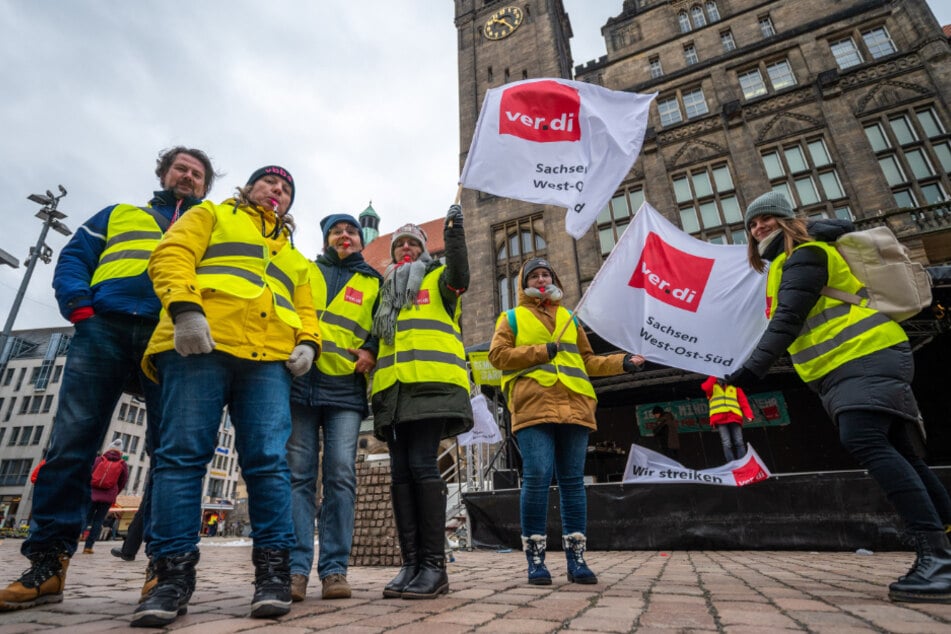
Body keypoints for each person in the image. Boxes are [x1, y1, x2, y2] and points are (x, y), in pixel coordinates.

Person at [0, 147, 215, 613]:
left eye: (198, 174)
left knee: (173, 454)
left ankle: (163, 567)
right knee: (70, 444)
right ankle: (48, 562)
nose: (188, 177)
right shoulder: (119, 214)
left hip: (169, 333)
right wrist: (81, 311)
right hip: (106, 328)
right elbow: (76, 257)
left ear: (206, 185)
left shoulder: (210, 227)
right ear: (164, 173)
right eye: (181, 168)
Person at [725, 191, 951, 603]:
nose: (759, 227)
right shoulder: (782, 265)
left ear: (789, 220)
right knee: (902, 451)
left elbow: (788, 320)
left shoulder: (806, 255)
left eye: (768, 218)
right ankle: (944, 545)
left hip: (864, 354)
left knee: (863, 438)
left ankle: (936, 559)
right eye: (753, 224)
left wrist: (747, 372)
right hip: (849, 363)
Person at [131, 166, 321, 627]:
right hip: (201, 344)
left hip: (267, 359)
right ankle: (171, 577)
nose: (279, 191)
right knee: (181, 458)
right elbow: (170, 256)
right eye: (271, 183)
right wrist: (185, 309)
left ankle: (273, 575)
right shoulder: (211, 214)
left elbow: (306, 307)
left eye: (287, 189)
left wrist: (309, 342)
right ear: (249, 188)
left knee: (269, 464)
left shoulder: (294, 256)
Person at [488, 258, 645, 586]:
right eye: (535, 275)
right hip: (533, 405)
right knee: (538, 476)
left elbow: (587, 361)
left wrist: (622, 362)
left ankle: (577, 559)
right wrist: (541, 351)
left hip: (575, 404)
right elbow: (498, 356)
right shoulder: (512, 317)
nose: (542, 279)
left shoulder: (568, 317)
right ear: (524, 282)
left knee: (573, 481)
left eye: (546, 274)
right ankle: (536, 560)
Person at [370, 209, 473, 600]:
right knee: (399, 474)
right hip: (392, 392)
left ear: (424, 250)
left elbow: (461, 276)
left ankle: (434, 567)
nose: (407, 248)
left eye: (414, 242)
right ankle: (410, 564)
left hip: (431, 387)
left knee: (421, 466)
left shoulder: (438, 279)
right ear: (394, 254)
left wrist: (455, 234)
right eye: (401, 245)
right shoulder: (384, 291)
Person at [287, 213, 382, 602]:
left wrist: (372, 350)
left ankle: (334, 570)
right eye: (337, 232)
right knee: (299, 477)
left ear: (360, 240)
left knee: (341, 475)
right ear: (327, 240)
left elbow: (382, 326)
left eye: (350, 231)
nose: (344, 236)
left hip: (345, 384)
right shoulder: (306, 270)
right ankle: (294, 569)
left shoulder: (375, 281)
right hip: (301, 381)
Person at [82, 439, 129, 554]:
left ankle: (73, 539)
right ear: (120, 452)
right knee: (98, 521)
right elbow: (123, 482)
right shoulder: (122, 464)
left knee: (86, 518)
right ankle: (88, 547)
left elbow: (89, 474)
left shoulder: (99, 459)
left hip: (92, 494)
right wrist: (114, 492)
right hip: (108, 496)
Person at [700, 376, 752, 463]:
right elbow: (705, 387)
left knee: (739, 441)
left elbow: (743, 401)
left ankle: (742, 463)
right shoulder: (712, 388)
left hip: (734, 417)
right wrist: (714, 374)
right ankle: (732, 465)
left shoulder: (735, 387)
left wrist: (748, 414)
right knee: (726, 443)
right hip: (720, 419)